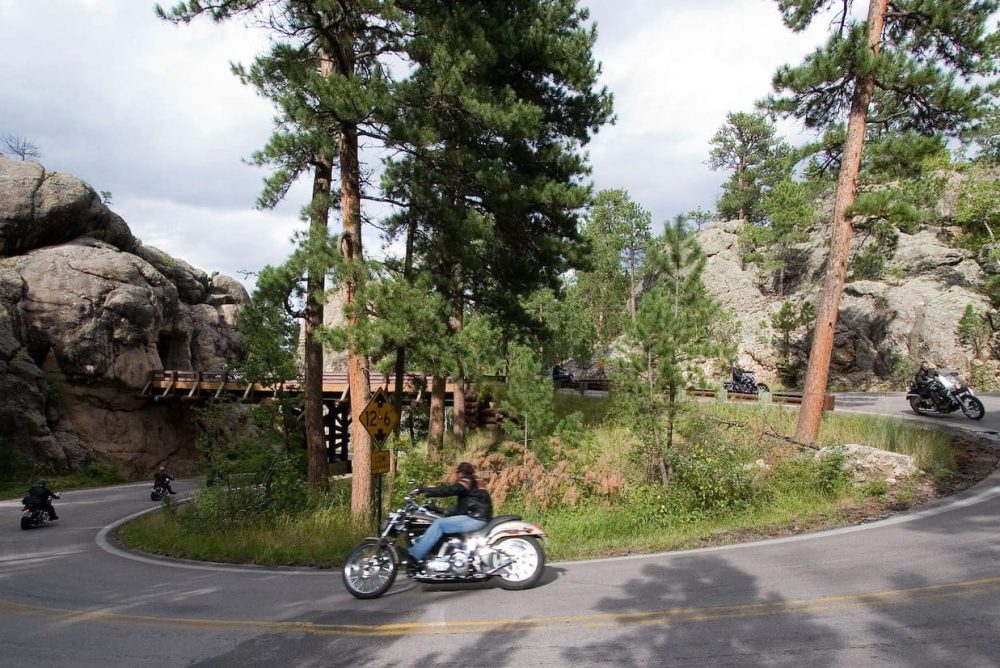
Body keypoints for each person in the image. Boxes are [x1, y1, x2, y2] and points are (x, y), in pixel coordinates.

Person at [406, 462, 492, 568]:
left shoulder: (468, 480)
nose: (456, 476)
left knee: (439, 524)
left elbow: (449, 490)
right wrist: (438, 509)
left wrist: (423, 490)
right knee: (440, 520)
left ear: (460, 473)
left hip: (476, 518)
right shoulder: (474, 484)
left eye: (457, 473)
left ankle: (414, 556)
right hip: (476, 516)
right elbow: (460, 509)